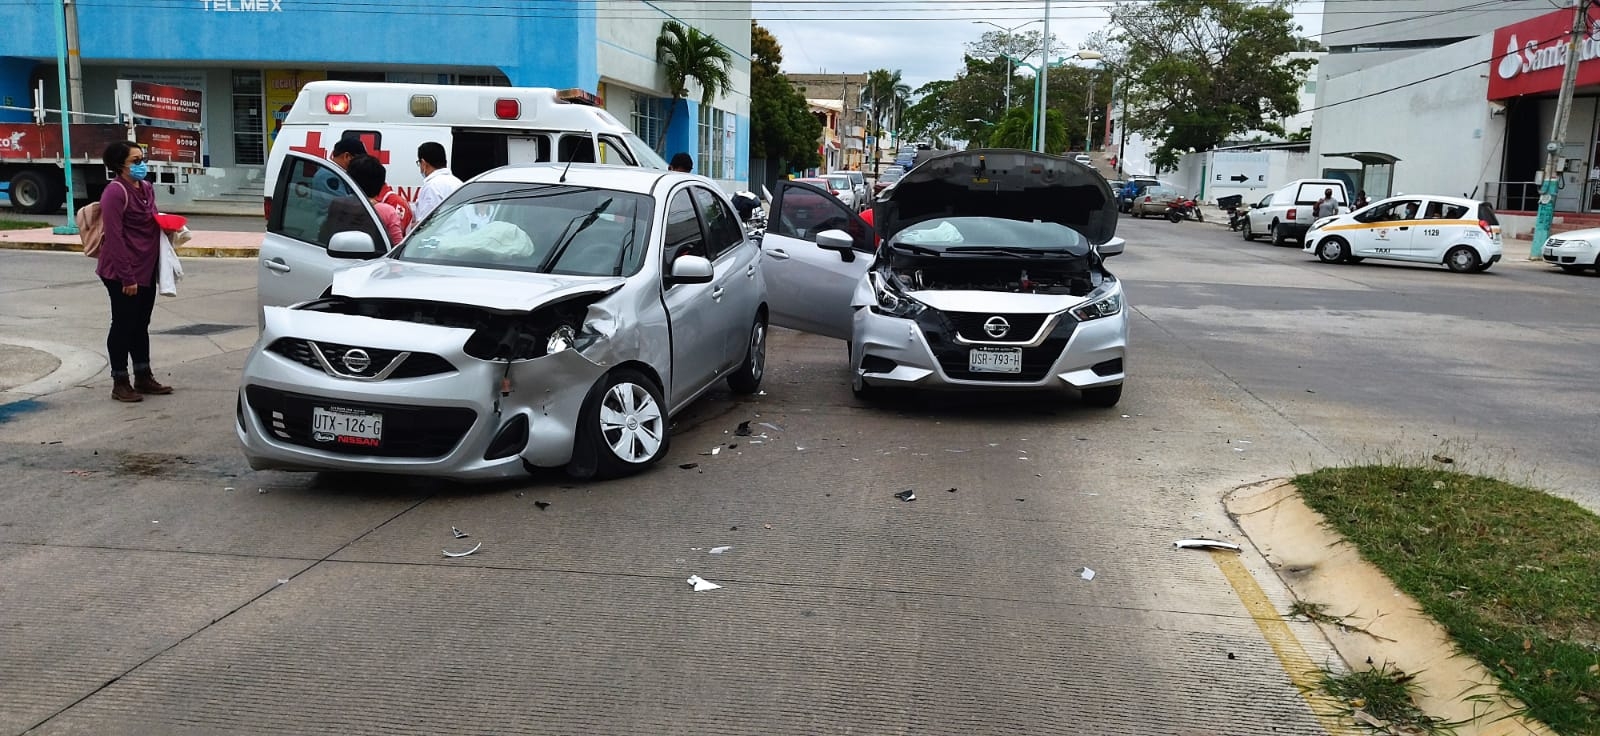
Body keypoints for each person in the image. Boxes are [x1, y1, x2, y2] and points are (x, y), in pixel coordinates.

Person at [96, 141, 172, 402]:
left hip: (146, 266)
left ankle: (143, 376)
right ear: (119, 166)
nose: (142, 165)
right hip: (121, 271)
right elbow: (115, 238)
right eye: (136, 161)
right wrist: (127, 277)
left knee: (141, 324)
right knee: (123, 325)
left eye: (143, 159)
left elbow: (151, 220)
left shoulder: (147, 188)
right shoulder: (115, 193)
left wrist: (170, 228)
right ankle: (120, 381)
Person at [347, 155, 405, 244]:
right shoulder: (387, 212)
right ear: (381, 183)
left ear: (350, 180)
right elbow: (397, 247)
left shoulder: (337, 204)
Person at [414, 141, 463, 225]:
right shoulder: (458, 183)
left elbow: (425, 224)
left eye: (419, 163)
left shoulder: (431, 186)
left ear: (423, 163)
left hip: (439, 237)